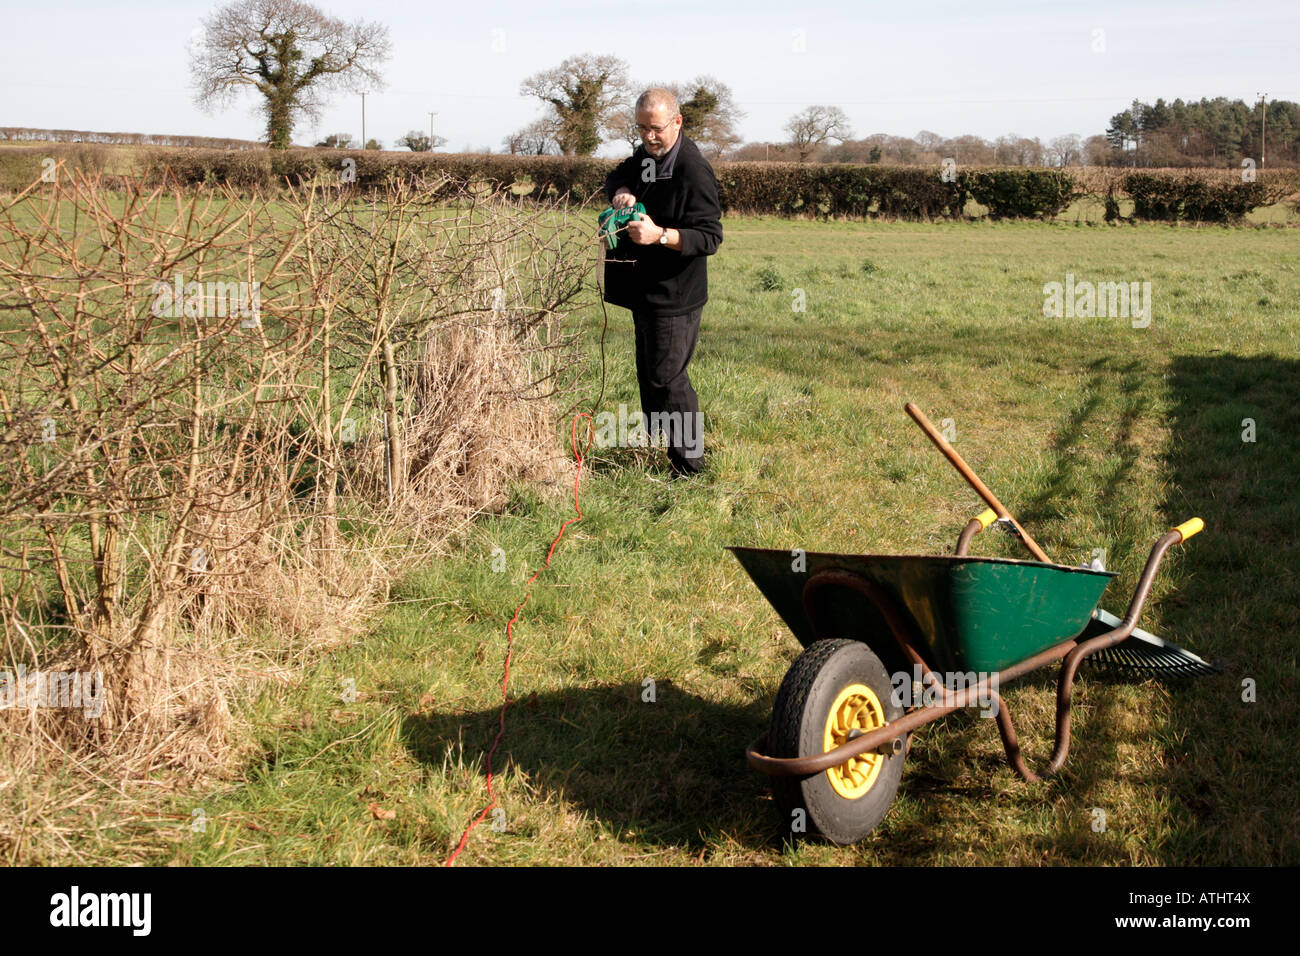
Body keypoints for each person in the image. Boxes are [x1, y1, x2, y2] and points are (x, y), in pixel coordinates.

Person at [602, 88, 723, 479]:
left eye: (655, 129)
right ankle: (659, 449)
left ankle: (690, 469)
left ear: (677, 122)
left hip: (676, 295)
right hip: (644, 290)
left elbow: (709, 236)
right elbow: (617, 173)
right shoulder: (647, 157)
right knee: (649, 375)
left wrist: (662, 235)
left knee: (669, 380)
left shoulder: (692, 169)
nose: (648, 137)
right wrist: (621, 190)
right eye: (641, 128)